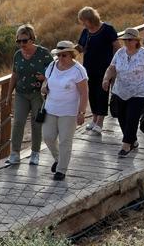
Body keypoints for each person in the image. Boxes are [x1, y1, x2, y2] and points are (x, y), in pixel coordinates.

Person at [103, 28, 144, 157]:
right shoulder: (120, 53)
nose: (126, 42)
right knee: (122, 117)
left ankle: (126, 145)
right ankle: (132, 141)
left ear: (136, 40)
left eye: (129, 39)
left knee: (132, 117)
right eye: (125, 40)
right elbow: (111, 68)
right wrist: (106, 79)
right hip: (121, 90)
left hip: (140, 91)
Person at [6, 24, 53, 165]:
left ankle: (35, 153)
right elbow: (14, 75)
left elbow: (55, 72)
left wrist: (44, 77)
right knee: (18, 121)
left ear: (32, 39)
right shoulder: (18, 55)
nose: (21, 44)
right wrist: (9, 94)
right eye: (18, 41)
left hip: (38, 94)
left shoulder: (43, 53)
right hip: (21, 93)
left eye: (24, 40)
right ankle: (15, 153)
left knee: (36, 123)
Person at [41, 41, 89, 181]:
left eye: (64, 55)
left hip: (69, 112)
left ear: (72, 55)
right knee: (48, 137)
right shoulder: (52, 66)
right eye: (58, 55)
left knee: (65, 141)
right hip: (50, 108)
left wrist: (81, 112)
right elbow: (46, 81)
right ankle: (58, 159)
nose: (60, 58)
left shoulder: (78, 70)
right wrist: (44, 87)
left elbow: (84, 93)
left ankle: (61, 170)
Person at [76, 7, 119, 135]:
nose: (83, 24)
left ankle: (100, 121)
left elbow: (117, 47)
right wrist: (66, 51)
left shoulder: (107, 29)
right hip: (88, 68)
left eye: (84, 21)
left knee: (102, 94)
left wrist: (115, 66)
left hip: (105, 68)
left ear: (91, 19)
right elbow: (80, 47)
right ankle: (94, 119)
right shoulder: (85, 31)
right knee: (92, 94)